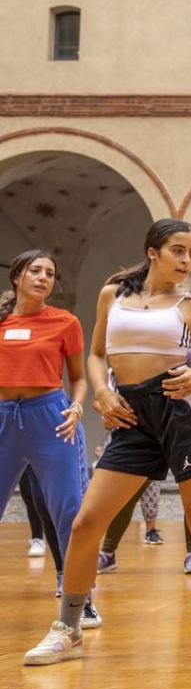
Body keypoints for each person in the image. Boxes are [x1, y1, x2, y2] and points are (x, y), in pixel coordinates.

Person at [26, 220, 191, 664]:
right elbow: (96, 354)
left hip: (181, 412)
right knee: (86, 523)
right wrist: (102, 394)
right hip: (129, 413)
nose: (187, 260)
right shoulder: (113, 296)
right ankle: (68, 628)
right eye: (178, 250)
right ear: (152, 252)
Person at [0, 251, 90, 616]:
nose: (43, 278)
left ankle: (81, 601)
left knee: (69, 511)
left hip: (53, 419)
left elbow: (79, 378)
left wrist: (77, 408)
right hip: (4, 419)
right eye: (35, 271)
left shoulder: (65, 322)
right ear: (17, 277)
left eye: (50, 273)